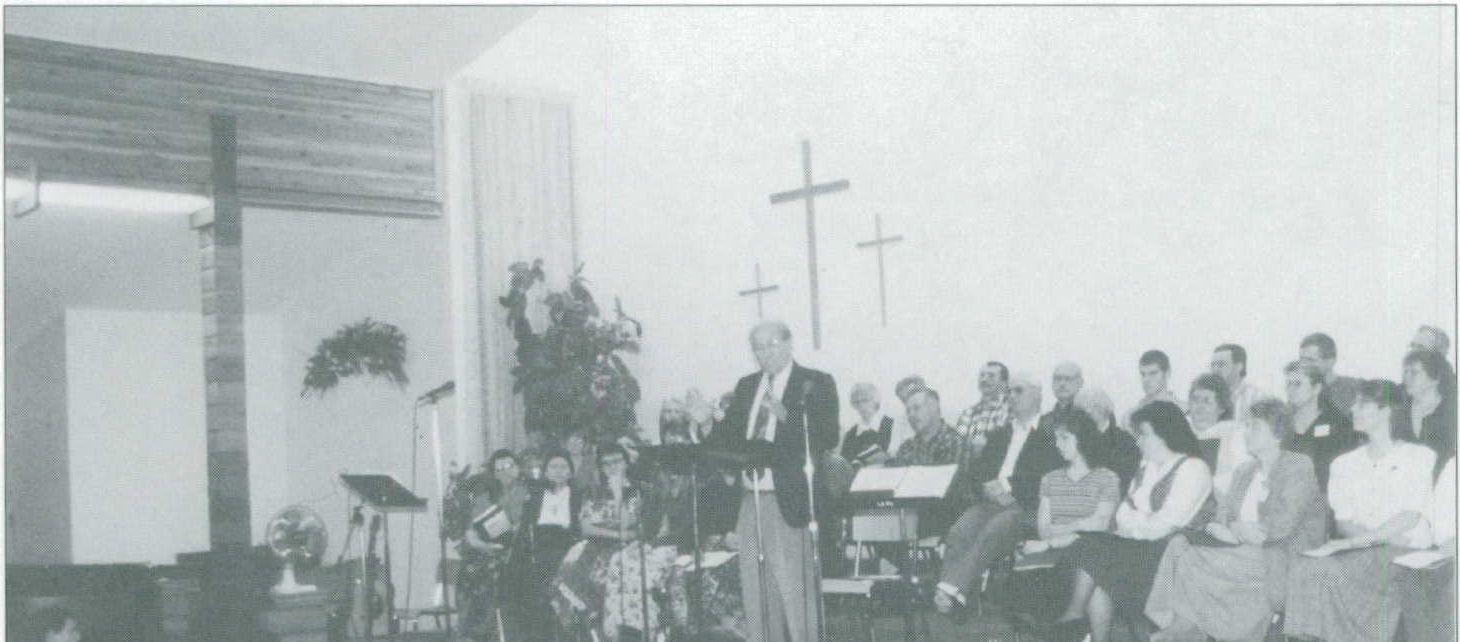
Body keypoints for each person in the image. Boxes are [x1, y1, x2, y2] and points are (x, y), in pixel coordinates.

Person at [1145, 399, 1326, 642]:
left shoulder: (1297, 465)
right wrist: (1233, 528)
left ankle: (1186, 629)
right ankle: (1177, 623)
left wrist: (1237, 530)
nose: (1247, 433)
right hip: (1240, 545)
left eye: (1255, 427)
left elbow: (1281, 526)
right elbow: (1225, 513)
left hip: (1281, 553)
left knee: (1192, 559)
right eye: (1246, 426)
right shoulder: (1245, 470)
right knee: (1178, 544)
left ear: (1277, 434)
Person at [705, 320, 838, 642]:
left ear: (789, 344)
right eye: (758, 348)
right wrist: (707, 422)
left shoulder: (815, 382)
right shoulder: (747, 385)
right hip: (750, 498)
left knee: (795, 591)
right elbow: (730, 441)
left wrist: (786, 416)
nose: (764, 353)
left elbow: (827, 436)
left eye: (771, 345)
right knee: (757, 592)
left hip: (788, 500)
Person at [1283, 380, 1437, 642]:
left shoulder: (1418, 456)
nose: (1353, 409)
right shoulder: (1344, 463)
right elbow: (1344, 521)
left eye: (1362, 404)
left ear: (1386, 411)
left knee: (1327, 572)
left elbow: (1409, 517)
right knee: (1305, 567)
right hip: (1366, 549)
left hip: (1405, 555)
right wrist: (1375, 539)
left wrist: (1354, 543)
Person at [1051, 401, 1213, 642]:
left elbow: (1165, 524)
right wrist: (1141, 520)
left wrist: (1135, 523)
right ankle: (1078, 624)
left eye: (1144, 434)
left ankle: (1072, 619)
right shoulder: (1148, 466)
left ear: (1165, 434)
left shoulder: (1194, 468)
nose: (1138, 441)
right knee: (1095, 562)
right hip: (1139, 546)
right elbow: (1122, 513)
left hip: (1171, 554)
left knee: (1093, 553)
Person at [933, 372, 1063, 615]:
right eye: (1009, 391)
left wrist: (1010, 488)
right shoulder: (1000, 434)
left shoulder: (1050, 433)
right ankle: (958, 594)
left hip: (1026, 505)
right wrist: (986, 486)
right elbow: (976, 472)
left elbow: (1049, 475)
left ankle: (951, 589)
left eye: (1018, 391)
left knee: (996, 527)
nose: (1011, 396)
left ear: (1037, 395)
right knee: (958, 531)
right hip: (990, 502)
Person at [514, 449, 583, 642]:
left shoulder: (578, 496)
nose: (558, 471)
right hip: (539, 552)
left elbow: (580, 529)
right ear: (545, 472)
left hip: (569, 550)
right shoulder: (535, 497)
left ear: (571, 472)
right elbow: (524, 529)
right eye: (553, 467)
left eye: (563, 467)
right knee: (529, 582)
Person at [1395, 455, 1456, 642]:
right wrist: (1449, 539)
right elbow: (1441, 518)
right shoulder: (1454, 464)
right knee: (1412, 580)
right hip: (1451, 551)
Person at [1282, 361, 1359, 490]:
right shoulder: (1282, 422)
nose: (1290, 390)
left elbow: (1343, 472)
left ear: (1316, 388)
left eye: (1297, 384)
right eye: (1288, 384)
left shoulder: (1337, 424)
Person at [1187, 373, 1250, 502]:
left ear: (1221, 408)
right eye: (1195, 400)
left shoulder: (1233, 432)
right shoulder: (1179, 432)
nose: (1199, 407)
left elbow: (1238, 478)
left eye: (1207, 401)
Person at [1076, 387, 1142, 493]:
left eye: (1093, 407)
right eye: (1082, 410)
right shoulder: (1078, 440)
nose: (1087, 413)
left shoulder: (1125, 441)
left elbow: (1124, 478)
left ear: (1103, 409)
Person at [1403, 349, 1456, 475]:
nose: (1406, 378)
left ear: (1435, 378)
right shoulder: (1400, 409)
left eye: (1414, 372)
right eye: (1405, 372)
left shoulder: (1450, 411)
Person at [887, 387, 961, 467]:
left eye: (916, 408)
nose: (911, 415)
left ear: (933, 407)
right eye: (908, 411)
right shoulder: (906, 448)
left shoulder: (957, 443)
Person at [953, 361, 1012, 460]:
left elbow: (1007, 445)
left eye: (991, 376)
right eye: (982, 375)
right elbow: (957, 446)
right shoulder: (968, 413)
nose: (984, 380)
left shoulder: (1010, 410)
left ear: (1004, 383)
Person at [1299, 332, 1362, 418]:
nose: (1303, 365)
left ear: (1330, 361)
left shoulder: (1353, 388)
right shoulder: (1299, 390)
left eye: (1310, 360)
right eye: (1302, 359)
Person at [1125, 350, 1184, 427]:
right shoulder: (1130, 417)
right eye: (1143, 374)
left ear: (1167, 373)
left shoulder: (1185, 410)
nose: (1146, 379)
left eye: (1153, 373)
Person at [840, 382, 893, 466]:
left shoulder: (890, 424)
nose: (861, 406)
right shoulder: (850, 434)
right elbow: (845, 465)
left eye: (865, 400)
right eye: (857, 402)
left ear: (875, 401)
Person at [1211, 344, 1267, 422]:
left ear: (1238, 367)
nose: (1215, 369)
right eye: (1213, 365)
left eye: (1221, 364)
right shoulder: (1206, 396)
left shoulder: (1256, 397)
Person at [1040, 362, 1085, 432]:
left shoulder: (1089, 420)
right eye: (1058, 379)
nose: (1062, 384)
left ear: (1080, 383)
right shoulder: (1043, 422)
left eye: (1068, 379)